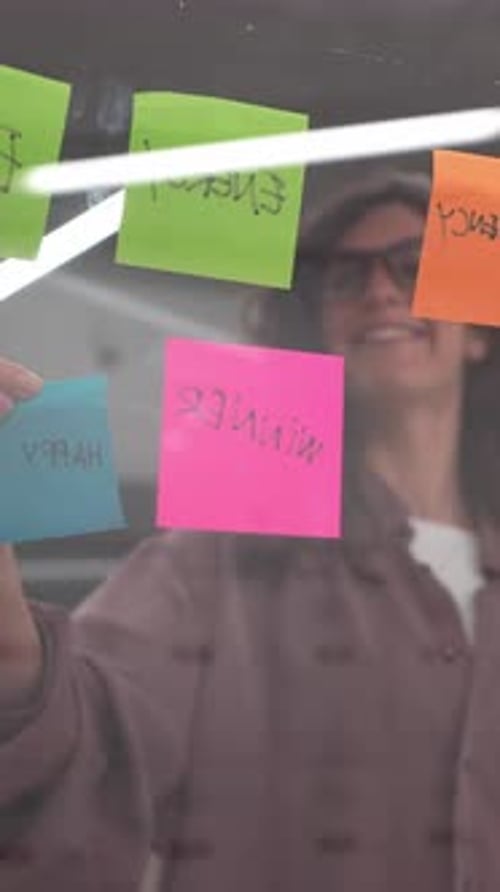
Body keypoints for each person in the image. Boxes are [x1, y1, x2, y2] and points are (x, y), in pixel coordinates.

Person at [0, 169, 499, 892]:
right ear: (317, 334)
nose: (381, 292)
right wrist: (12, 643)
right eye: (345, 278)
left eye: (413, 268)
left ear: (478, 332)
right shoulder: (220, 563)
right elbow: (86, 745)